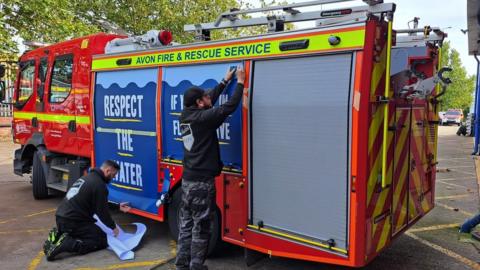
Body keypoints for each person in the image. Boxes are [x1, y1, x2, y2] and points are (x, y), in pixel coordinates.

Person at [175, 66, 245, 270]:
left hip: (187, 181)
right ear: (198, 103)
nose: (208, 98)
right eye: (204, 97)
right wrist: (240, 83)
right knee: (201, 227)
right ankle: (196, 266)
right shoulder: (203, 119)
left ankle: (181, 264)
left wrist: (224, 82)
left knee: (186, 226)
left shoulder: (187, 114)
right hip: (201, 184)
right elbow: (228, 107)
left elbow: (210, 102)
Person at [43, 160, 131, 261]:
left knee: (90, 231)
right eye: (114, 174)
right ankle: (68, 244)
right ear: (108, 171)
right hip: (73, 222)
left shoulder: (87, 178)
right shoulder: (99, 185)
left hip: (61, 218)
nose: (114, 177)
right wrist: (113, 227)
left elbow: (99, 203)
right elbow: (102, 212)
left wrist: (117, 206)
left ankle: (58, 236)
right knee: (101, 240)